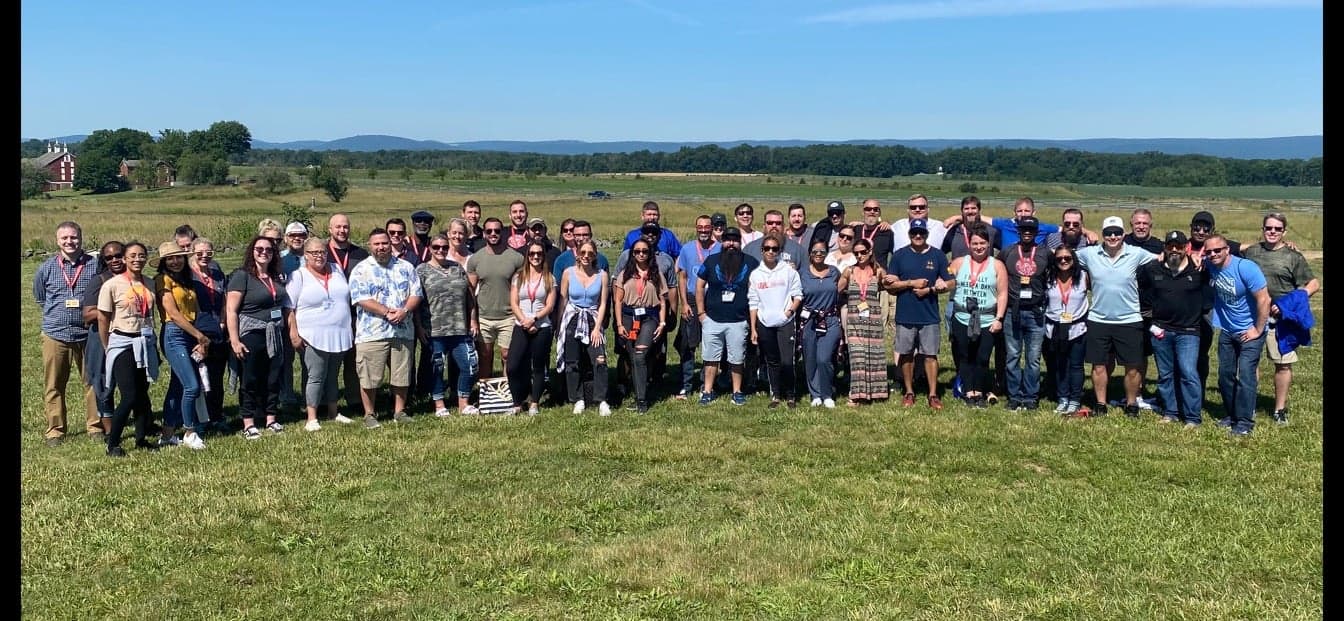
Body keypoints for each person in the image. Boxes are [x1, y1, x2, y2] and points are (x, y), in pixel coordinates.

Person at [1075, 216, 1159, 417]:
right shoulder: (1090, 254)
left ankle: (1131, 403)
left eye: (1117, 233)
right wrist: (1084, 231)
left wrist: (1195, 257)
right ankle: (1100, 403)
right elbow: (1063, 255)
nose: (1113, 237)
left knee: (1133, 367)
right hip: (1099, 319)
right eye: (1108, 233)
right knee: (1099, 365)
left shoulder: (1136, 253)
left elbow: (1162, 258)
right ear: (1103, 234)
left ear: (1123, 234)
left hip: (1130, 319)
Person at [1242, 212, 1320, 425]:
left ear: (1284, 231)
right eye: (1269, 228)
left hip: (1280, 320)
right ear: (1263, 229)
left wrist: (1289, 304)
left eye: (1277, 229)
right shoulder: (1251, 252)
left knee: (1283, 364)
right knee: (1249, 363)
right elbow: (1228, 252)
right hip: (1252, 316)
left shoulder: (1293, 256)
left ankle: (1279, 409)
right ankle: (1249, 405)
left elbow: (1313, 284)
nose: (1272, 232)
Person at [34, 221, 103, 446]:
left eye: (73, 237)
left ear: (81, 238)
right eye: (64, 238)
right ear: (57, 241)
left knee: (92, 381)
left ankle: (95, 426)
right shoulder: (46, 268)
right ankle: (55, 430)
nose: (69, 241)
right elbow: (40, 297)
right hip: (56, 334)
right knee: (54, 384)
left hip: (88, 333)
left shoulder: (95, 266)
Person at [348, 228, 423, 426]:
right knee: (369, 376)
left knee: (401, 374)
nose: (381, 247)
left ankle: (400, 411)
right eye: (377, 244)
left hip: (402, 330)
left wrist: (404, 311)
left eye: (384, 243)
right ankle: (369, 414)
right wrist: (386, 312)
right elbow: (360, 298)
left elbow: (416, 294)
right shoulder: (361, 269)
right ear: (369, 246)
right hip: (372, 332)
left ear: (390, 244)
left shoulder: (406, 267)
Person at [1138, 231, 1209, 427]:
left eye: (1179, 246)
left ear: (1186, 248)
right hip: (1161, 329)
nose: (1175, 250)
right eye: (1170, 246)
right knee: (1165, 374)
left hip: (1189, 331)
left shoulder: (1199, 268)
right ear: (1165, 248)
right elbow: (1138, 285)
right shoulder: (1153, 268)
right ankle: (1171, 412)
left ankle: (1192, 417)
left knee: (1188, 372)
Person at [97, 241, 161, 457]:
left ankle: (141, 439)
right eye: (132, 255)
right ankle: (113, 443)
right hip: (122, 342)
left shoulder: (149, 283)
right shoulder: (112, 285)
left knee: (142, 393)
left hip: (144, 341)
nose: (137, 259)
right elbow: (103, 318)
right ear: (124, 259)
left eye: (141, 255)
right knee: (129, 395)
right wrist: (107, 346)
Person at [285, 236, 355, 431]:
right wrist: (294, 333)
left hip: (339, 332)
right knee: (316, 376)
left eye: (323, 252)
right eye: (314, 252)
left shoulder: (337, 269)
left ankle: (333, 412)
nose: (319, 256)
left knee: (333, 376)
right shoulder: (298, 276)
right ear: (305, 255)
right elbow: (289, 307)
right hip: (312, 335)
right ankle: (312, 417)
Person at [1204, 234, 1270, 437]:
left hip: (1250, 331)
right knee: (1225, 375)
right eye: (1209, 252)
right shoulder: (1209, 265)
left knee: (1246, 375)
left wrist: (1257, 329)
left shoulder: (1246, 268)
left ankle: (1244, 422)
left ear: (1227, 250)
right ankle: (1232, 414)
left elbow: (1264, 299)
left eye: (1217, 250)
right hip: (1227, 330)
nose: (1213, 254)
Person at [226, 236, 291, 440]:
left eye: (269, 249)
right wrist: (235, 340)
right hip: (251, 333)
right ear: (252, 251)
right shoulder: (242, 276)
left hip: (274, 333)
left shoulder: (276, 276)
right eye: (259, 249)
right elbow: (231, 310)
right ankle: (248, 421)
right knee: (250, 378)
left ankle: (271, 418)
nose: (264, 252)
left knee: (272, 377)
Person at [883, 218, 951, 409]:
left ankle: (933, 394)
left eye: (922, 233)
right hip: (905, 315)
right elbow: (890, 286)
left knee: (930, 355)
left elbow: (950, 281)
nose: (918, 236)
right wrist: (910, 283)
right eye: (914, 233)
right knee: (906, 354)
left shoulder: (937, 255)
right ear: (909, 234)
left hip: (929, 316)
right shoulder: (899, 255)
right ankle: (909, 391)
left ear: (927, 234)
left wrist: (934, 288)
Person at [153, 241, 211, 450]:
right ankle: (189, 431)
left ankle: (167, 434)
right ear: (163, 262)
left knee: (178, 386)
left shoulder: (186, 281)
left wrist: (197, 336)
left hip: (190, 332)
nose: (175, 262)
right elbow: (174, 314)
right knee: (192, 386)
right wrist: (200, 336)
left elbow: (195, 310)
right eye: (170, 259)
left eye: (178, 257)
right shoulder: (162, 280)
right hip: (174, 334)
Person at [417, 233, 481, 417]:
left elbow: (470, 296)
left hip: (460, 328)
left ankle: (463, 403)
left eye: (444, 247)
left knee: (470, 365)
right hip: (434, 329)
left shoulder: (457, 267)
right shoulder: (421, 270)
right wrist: (419, 327)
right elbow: (416, 301)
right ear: (430, 248)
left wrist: (473, 319)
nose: (440, 250)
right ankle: (439, 405)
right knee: (436, 367)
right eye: (436, 247)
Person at [695, 227, 758, 406]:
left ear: (740, 242)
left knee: (737, 358)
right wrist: (701, 313)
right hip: (712, 319)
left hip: (738, 319)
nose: (731, 244)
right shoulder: (711, 261)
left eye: (735, 240)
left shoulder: (751, 262)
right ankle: (708, 391)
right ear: (722, 242)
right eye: (727, 240)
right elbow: (699, 286)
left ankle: (737, 391)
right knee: (710, 357)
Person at [947, 225, 1008, 408]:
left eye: (982, 243)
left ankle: (979, 391)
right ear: (969, 244)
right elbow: (947, 280)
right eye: (975, 243)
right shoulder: (958, 263)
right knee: (965, 356)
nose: (979, 247)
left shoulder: (997, 265)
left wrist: (999, 318)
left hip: (986, 319)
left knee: (982, 357)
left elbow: (1002, 294)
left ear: (988, 244)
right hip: (962, 317)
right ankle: (968, 391)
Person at [997, 216, 1052, 411]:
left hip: (1036, 312)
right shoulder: (1008, 252)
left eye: (1031, 229)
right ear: (1018, 231)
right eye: (1023, 229)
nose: (1027, 232)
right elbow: (997, 272)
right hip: (1013, 311)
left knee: (1033, 358)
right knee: (1012, 356)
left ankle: (1030, 396)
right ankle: (1014, 396)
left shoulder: (1045, 253)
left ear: (1036, 232)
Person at [614, 239, 670, 413]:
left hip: (649, 317)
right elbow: (618, 301)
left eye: (644, 251)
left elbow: (662, 301)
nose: (641, 254)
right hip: (629, 316)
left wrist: (662, 322)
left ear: (649, 253)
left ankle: (642, 400)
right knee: (633, 358)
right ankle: (639, 394)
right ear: (632, 253)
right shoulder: (625, 273)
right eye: (637, 251)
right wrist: (619, 324)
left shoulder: (656, 274)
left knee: (640, 356)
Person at [748, 233, 803, 409]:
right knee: (772, 361)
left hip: (785, 322)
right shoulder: (756, 275)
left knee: (787, 361)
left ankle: (791, 395)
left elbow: (798, 295)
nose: (771, 252)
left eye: (774, 249)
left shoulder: (788, 271)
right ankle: (776, 395)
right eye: (767, 249)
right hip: (765, 323)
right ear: (762, 251)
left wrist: (789, 312)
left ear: (779, 251)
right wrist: (754, 328)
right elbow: (753, 302)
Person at [557, 241, 612, 416]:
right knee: (572, 361)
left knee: (600, 359)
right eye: (583, 252)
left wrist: (597, 328)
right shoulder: (568, 273)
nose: (586, 256)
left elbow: (603, 303)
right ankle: (577, 398)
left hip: (593, 318)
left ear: (595, 255)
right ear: (577, 254)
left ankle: (601, 399)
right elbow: (563, 301)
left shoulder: (602, 275)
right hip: (572, 318)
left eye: (590, 253)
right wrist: (559, 326)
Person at [467, 217, 526, 379]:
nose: (493, 234)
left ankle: (508, 389)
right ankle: (485, 390)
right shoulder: (475, 259)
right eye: (489, 231)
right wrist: (473, 319)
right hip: (484, 316)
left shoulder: (516, 258)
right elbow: (470, 291)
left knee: (507, 355)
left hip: (508, 315)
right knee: (485, 356)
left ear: (503, 233)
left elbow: (521, 289)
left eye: (497, 231)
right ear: (484, 234)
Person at [325, 213, 370, 413]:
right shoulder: (322, 252)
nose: (342, 230)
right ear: (330, 229)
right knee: (330, 361)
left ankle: (354, 399)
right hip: (330, 316)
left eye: (345, 227)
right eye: (338, 227)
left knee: (354, 360)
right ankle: (327, 401)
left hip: (355, 315)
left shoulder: (361, 254)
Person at [836, 238, 889, 406]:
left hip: (873, 320)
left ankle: (875, 392)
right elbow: (836, 290)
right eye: (856, 253)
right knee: (857, 357)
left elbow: (889, 286)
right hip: (854, 320)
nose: (859, 255)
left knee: (874, 355)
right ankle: (856, 394)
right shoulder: (849, 271)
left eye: (863, 252)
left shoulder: (878, 271)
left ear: (870, 252)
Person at [507, 241, 556, 416]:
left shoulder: (549, 278)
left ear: (543, 256)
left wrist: (534, 319)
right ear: (528, 256)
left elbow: (550, 305)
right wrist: (524, 321)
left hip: (541, 326)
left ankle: (534, 402)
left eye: (539, 254)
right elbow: (514, 302)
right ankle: (517, 402)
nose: (536, 257)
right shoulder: (518, 277)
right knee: (513, 366)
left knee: (538, 366)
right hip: (521, 325)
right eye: (532, 253)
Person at [187, 238, 231, 433]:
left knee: (216, 377)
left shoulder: (218, 274)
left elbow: (225, 301)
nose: (204, 256)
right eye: (199, 253)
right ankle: (199, 419)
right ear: (192, 252)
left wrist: (222, 322)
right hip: (197, 332)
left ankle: (217, 416)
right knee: (198, 377)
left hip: (218, 332)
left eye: (209, 253)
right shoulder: (188, 276)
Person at [1043, 246, 1092, 417]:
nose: (1063, 261)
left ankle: (1075, 399)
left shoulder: (1084, 277)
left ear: (1073, 260)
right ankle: (1063, 398)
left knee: (1076, 365)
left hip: (1077, 328)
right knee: (1060, 364)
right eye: (1059, 259)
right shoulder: (1048, 277)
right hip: (1054, 329)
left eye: (1067, 258)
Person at [674, 215, 720, 400]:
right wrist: (684, 303)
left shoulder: (720, 248)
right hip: (692, 300)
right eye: (700, 227)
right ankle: (685, 384)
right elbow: (682, 277)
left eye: (707, 227)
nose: (703, 230)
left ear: (712, 228)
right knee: (687, 344)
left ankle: (706, 384)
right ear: (696, 228)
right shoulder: (687, 249)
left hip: (713, 300)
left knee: (711, 343)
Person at [81, 241, 125, 430]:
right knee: (103, 381)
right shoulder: (99, 280)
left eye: (118, 255)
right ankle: (109, 428)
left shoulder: (135, 278)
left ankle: (144, 421)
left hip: (129, 335)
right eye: (109, 257)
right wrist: (114, 310)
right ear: (104, 260)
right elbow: (87, 314)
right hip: (101, 336)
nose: (114, 260)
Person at [799, 240, 843, 408]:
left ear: (826, 254)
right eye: (815, 251)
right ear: (810, 253)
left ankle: (827, 393)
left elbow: (843, 292)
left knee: (824, 359)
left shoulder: (834, 272)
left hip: (830, 320)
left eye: (822, 252)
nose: (818, 254)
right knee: (810, 359)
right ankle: (815, 394)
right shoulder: (802, 273)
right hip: (809, 321)